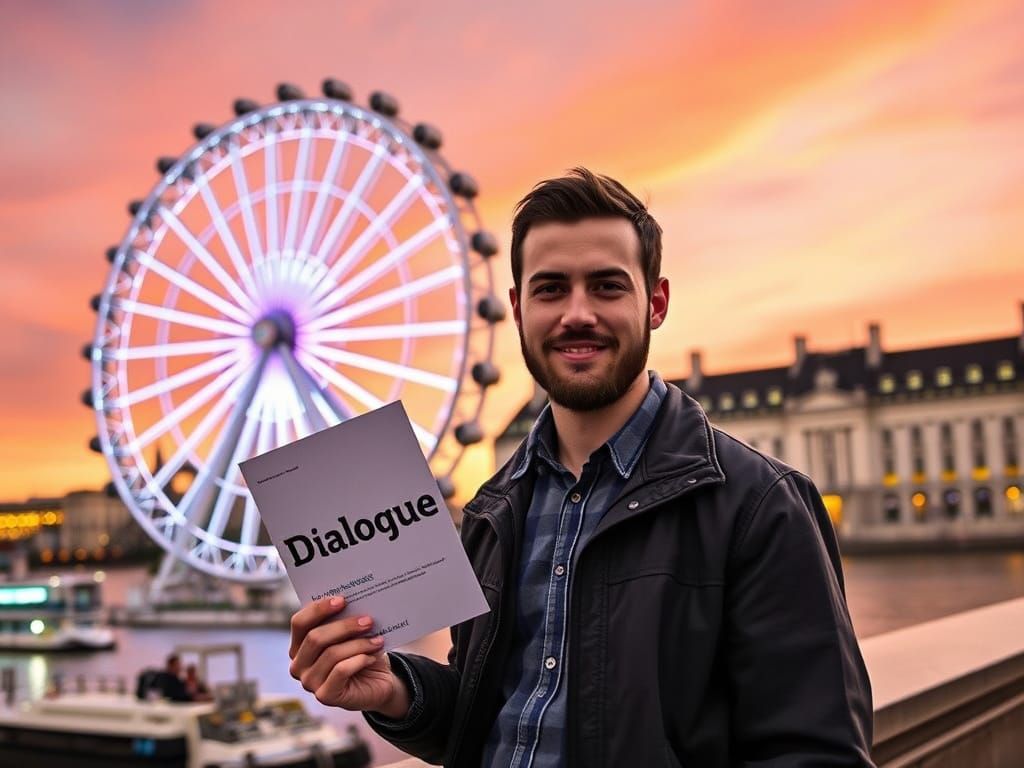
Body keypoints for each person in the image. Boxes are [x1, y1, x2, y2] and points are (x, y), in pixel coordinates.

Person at [288, 168, 875, 766]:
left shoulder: (761, 505)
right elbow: (492, 716)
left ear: (656, 304)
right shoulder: (493, 511)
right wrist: (395, 690)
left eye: (606, 287)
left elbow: (816, 755)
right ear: (517, 310)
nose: (577, 313)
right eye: (550, 289)